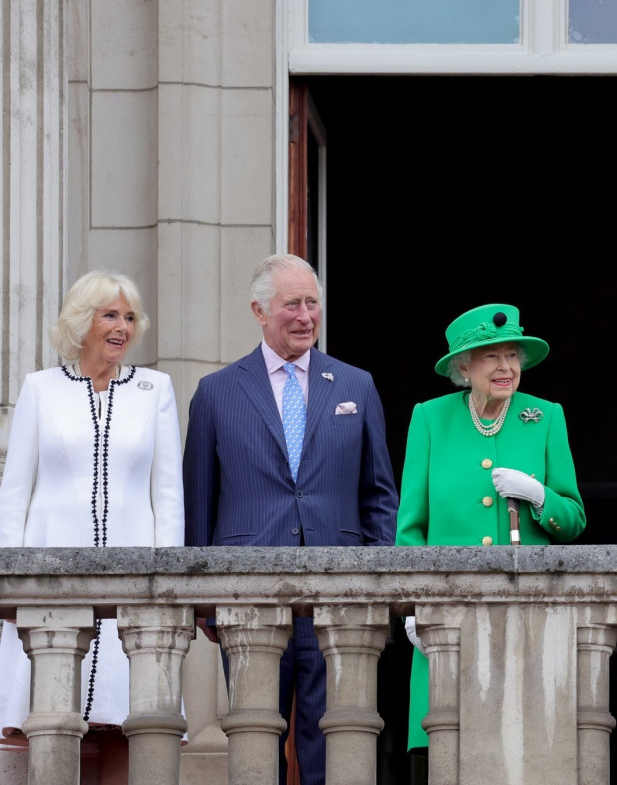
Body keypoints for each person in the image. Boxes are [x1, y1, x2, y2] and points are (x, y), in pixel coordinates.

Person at [183, 253, 398, 785]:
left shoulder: (355, 385)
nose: (305, 316)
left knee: (335, 742)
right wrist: (203, 600)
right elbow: (199, 503)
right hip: (248, 597)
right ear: (259, 310)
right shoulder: (216, 393)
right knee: (257, 744)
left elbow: (378, 496)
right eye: (291, 304)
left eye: (312, 303)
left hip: (339, 598)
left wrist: (380, 581)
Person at [0, 272, 184, 776]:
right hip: (49, 579)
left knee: (127, 720)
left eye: (129, 317)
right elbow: (15, 494)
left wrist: (170, 587)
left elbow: (167, 496)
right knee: (51, 720)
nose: (122, 327)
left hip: (133, 585)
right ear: (83, 321)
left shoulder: (155, 389)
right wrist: (10, 589)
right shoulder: (40, 389)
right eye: (110, 315)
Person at [396, 303, 586, 768]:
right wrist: (413, 606)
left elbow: (574, 518)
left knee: (524, 754)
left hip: (525, 617)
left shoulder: (545, 417)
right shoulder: (429, 419)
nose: (506, 368)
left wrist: (539, 495)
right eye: (491, 357)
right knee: (445, 748)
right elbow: (410, 527)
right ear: (464, 367)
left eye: (513, 356)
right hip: (448, 616)